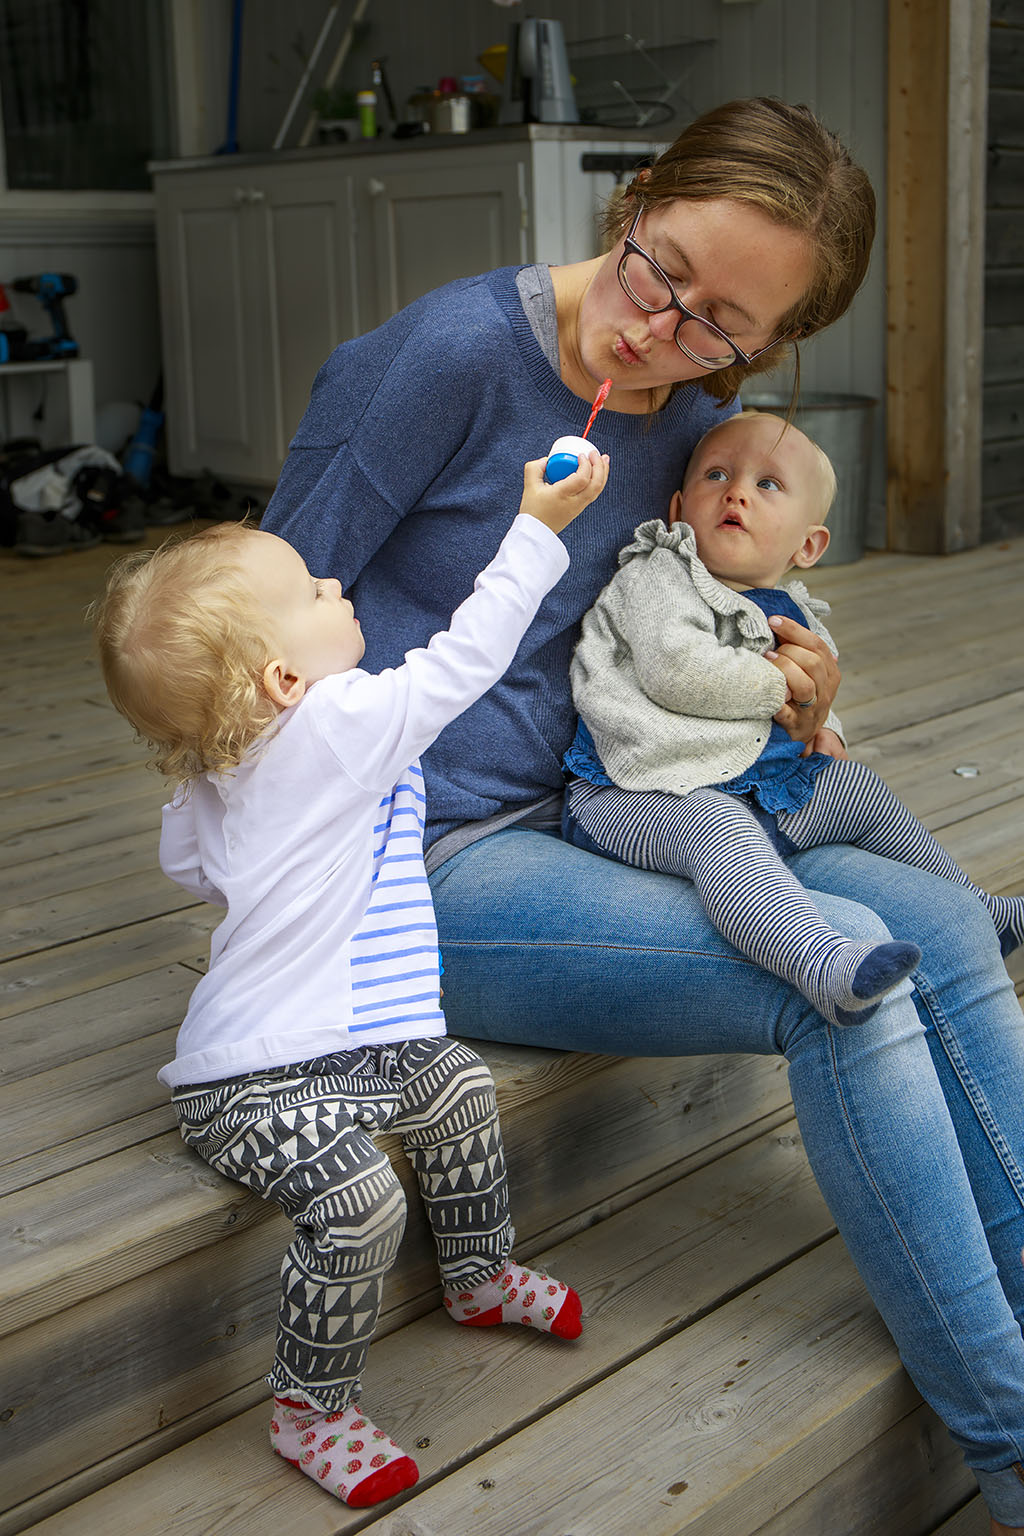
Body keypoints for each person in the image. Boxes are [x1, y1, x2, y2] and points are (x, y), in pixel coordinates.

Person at [262, 96, 1024, 1535]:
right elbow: (246, 622)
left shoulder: (696, 409)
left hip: (598, 814)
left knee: (940, 923)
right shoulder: (442, 361)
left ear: (770, 346)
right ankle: (1012, 1435)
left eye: (719, 325)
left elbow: (707, 596)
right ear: (636, 200)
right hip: (403, 866)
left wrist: (800, 668)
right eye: (660, 268)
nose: (658, 328)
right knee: (837, 976)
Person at [90, 446, 608, 1510]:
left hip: (362, 1039)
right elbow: (465, 660)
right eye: (316, 591)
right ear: (286, 680)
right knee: (361, 1202)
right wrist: (536, 527)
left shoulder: (221, 769)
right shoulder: (333, 726)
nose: (340, 588)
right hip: (252, 1081)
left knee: (458, 1086)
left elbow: (188, 865)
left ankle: (474, 1276)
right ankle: (308, 1408)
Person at [563, 410, 1024, 1027]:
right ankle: (824, 964)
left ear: (807, 545)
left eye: (767, 485)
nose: (737, 492)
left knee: (855, 787)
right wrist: (779, 684)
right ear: (677, 508)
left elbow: (818, 692)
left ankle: (978, 911)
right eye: (717, 475)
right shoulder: (657, 574)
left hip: (757, 790)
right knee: (719, 828)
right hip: (633, 793)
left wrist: (827, 728)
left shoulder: (794, 612)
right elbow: (676, 668)